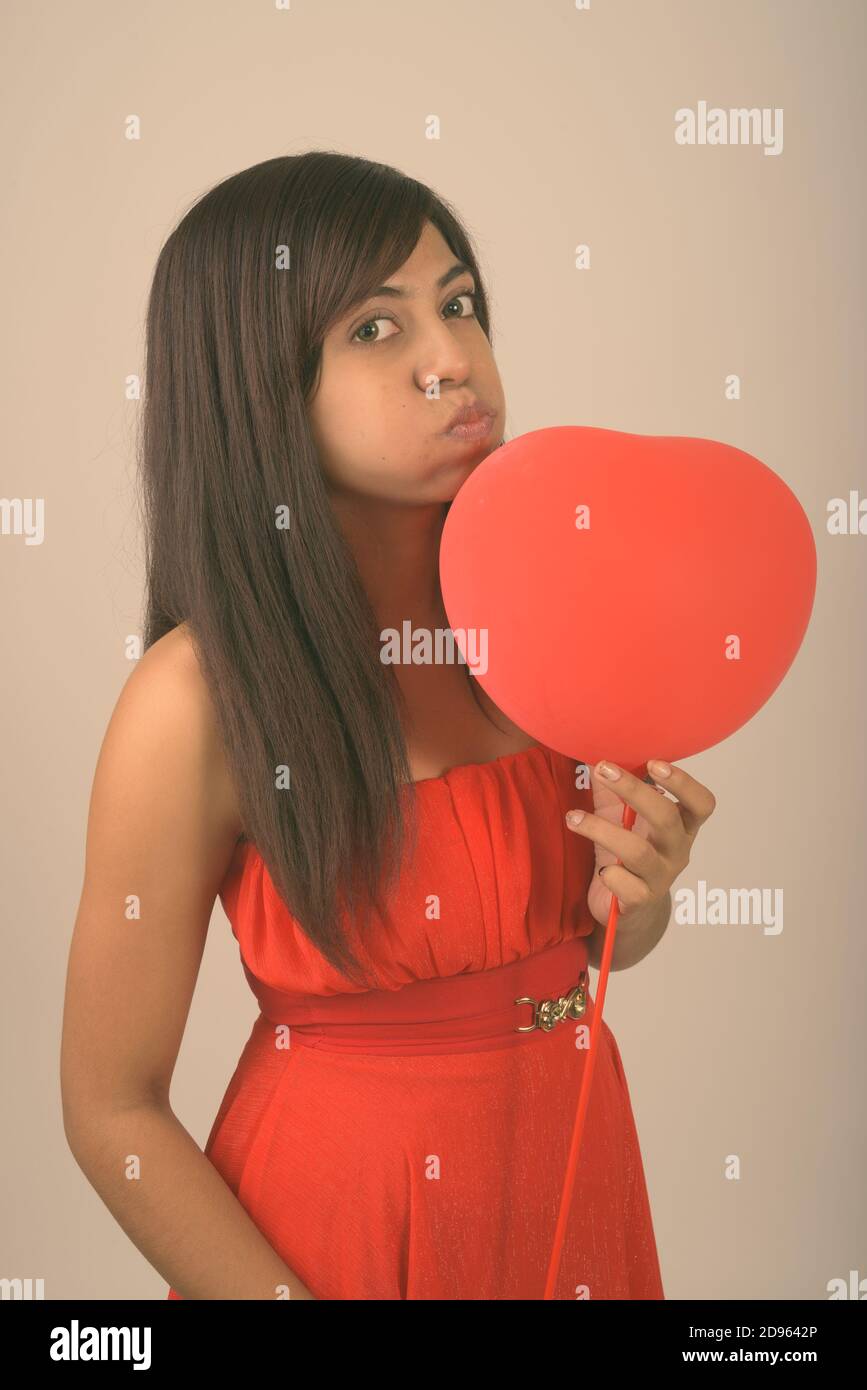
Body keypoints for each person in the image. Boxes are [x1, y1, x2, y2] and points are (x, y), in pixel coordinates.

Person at [60, 151, 715, 1300]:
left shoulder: (557, 622)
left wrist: (641, 899)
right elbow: (108, 1107)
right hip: (333, 1247)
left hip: (573, 1183)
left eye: (459, 305)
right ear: (259, 382)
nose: (453, 359)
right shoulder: (194, 699)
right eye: (376, 328)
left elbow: (573, 960)